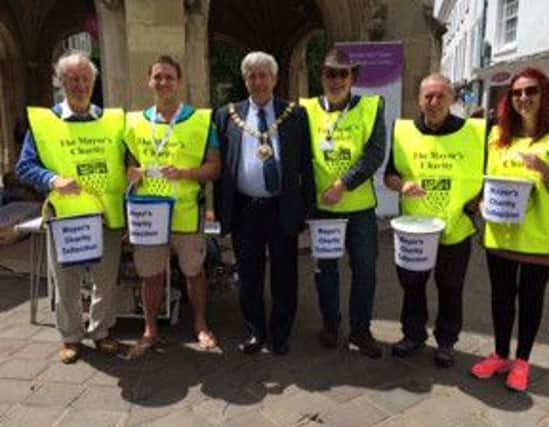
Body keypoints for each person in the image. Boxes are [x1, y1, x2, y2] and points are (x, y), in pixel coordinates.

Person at [470, 67, 549, 392]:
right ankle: (499, 354)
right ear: (509, 99)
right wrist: (482, 203)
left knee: (530, 299)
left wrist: (543, 170)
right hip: (502, 234)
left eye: (531, 91)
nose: (523, 98)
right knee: (500, 297)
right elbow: (487, 181)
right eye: (517, 93)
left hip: (540, 238)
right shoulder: (497, 137)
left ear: (545, 95)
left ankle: (522, 361)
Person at [15, 51, 127, 364]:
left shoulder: (113, 122)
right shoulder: (44, 123)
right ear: (62, 82)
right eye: (73, 79)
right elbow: (24, 167)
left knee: (106, 279)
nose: (80, 84)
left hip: (107, 215)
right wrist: (51, 179)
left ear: (94, 82)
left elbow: (129, 159)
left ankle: (101, 331)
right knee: (67, 281)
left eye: (85, 79)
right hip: (66, 216)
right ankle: (71, 336)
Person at [214, 51, 314, 355]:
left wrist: (306, 208)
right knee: (249, 275)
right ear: (245, 80)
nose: (258, 81)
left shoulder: (295, 114)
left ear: (275, 78)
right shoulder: (225, 115)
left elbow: (306, 165)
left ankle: (280, 333)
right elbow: (219, 168)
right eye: (252, 76)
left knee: (285, 274)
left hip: (281, 207)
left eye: (263, 75)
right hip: (245, 208)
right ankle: (256, 331)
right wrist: (218, 210)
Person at [384, 73, 485, 367]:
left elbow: (487, 176)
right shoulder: (404, 131)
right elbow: (390, 174)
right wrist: (401, 186)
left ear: (452, 99)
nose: (434, 102)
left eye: (441, 96)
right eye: (428, 96)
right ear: (419, 99)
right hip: (415, 230)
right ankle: (413, 335)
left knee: (451, 288)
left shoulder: (474, 133)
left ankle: (446, 342)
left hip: (456, 228)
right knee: (412, 286)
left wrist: (480, 201)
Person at [124, 55, 221, 357]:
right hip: (150, 212)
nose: (163, 82)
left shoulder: (202, 120)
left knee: (194, 271)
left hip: (186, 213)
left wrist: (186, 173)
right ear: (149, 82)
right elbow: (129, 166)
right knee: (151, 273)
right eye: (157, 77)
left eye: (169, 77)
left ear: (179, 82)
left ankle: (201, 324)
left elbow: (215, 169)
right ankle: (150, 329)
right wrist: (134, 173)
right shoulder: (135, 122)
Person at [300, 48, 386, 359]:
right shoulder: (306, 109)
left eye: (342, 74)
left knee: (365, 270)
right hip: (323, 211)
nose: (336, 80)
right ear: (321, 76)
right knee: (325, 270)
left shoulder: (371, 106)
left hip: (360, 208)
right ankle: (330, 324)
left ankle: (361, 330)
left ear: (353, 78)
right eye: (330, 73)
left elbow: (375, 154)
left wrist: (343, 184)